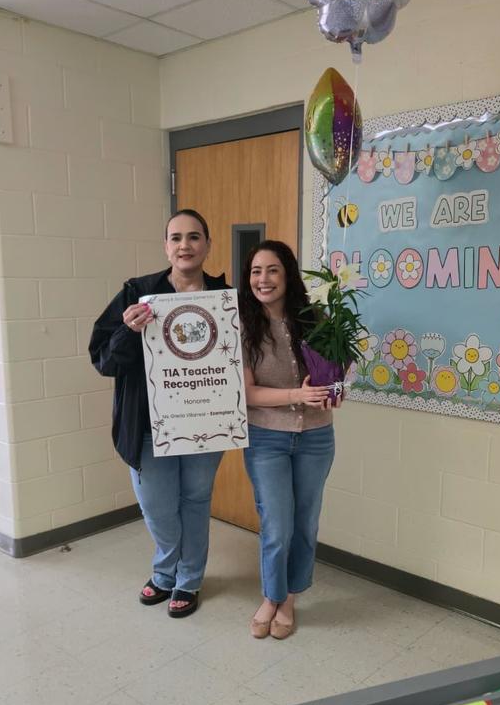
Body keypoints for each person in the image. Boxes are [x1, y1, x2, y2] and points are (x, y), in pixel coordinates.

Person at [89, 210, 227, 618]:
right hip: (149, 425)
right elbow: (103, 360)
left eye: (194, 237)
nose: (185, 245)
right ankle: (166, 570)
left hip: (205, 422)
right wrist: (127, 330)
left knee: (196, 501)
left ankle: (187, 579)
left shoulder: (224, 298)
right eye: (176, 238)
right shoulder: (138, 293)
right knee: (158, 507)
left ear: (207, 244)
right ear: (166, 246)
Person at [240, 241, 338, 640]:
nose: (263, 279)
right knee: (276, 524)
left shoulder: (318, 319)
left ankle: (291, 599)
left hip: (316, 437)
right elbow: (247, 394)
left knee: (304, 523)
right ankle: (270, 596)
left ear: (288, 274)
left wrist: (334, 391)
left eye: (272, 270)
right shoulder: (243, 326)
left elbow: (332, 375)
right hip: (266, 438)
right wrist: (296, 396)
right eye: (255, 272)